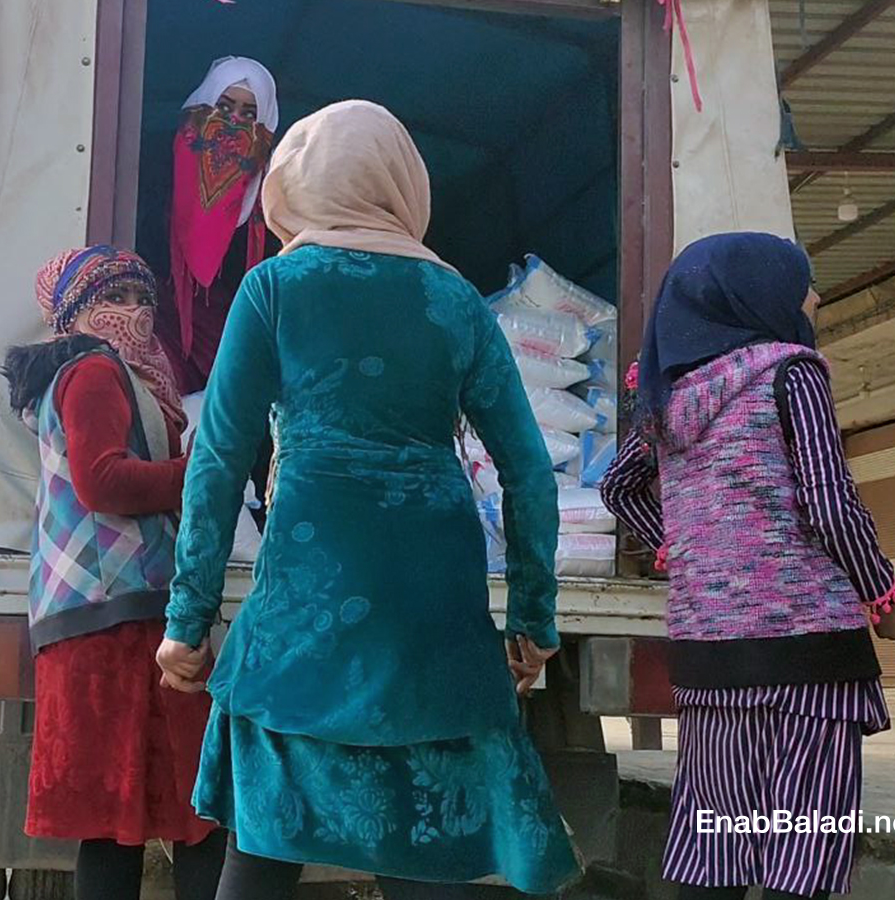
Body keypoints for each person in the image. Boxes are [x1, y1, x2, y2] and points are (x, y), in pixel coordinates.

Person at [156, 101, 580, 900]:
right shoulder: (455, 301)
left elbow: (217, 459)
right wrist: (532, 625)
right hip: (433, 609)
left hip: (308, 604)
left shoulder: (273, 289)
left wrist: (188, 621)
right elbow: (526, 471)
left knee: (262, 846)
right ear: (401, 184)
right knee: (424, 847)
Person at [599, 232, 895, 900]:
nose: (813, 296)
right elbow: (830, 506)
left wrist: (686, 547)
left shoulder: (670, 401)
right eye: (801, 283)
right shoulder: (791, 372)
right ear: (755, 295)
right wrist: (886, 598)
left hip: (710, 660)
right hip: (808, 661)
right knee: (803, 855)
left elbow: (617, 487)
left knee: (715, 854)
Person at [0, 245, 225, 900]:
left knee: (115, 822)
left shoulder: (100, 374)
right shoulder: (96, 371)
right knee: (196, 809)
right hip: (119, 617)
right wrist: (204, 477)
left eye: (141, 298)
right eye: (111, 299)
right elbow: (101, 482)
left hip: (94, 614)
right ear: (74, 312)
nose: (133, 312)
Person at [156, 56, 281, 533]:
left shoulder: (274, 206)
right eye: (224, 106)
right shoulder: (157, 175)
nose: (232, 124)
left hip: (243, 337)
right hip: (171, 330)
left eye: (249, 115)